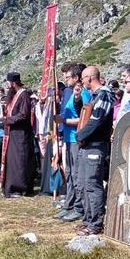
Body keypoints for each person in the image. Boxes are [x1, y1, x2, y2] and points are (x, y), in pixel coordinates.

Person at [73, 66, 115, 236]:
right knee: (83, 184)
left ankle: (96, 223)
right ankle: (87, 218)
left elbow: (96, 120)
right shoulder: (94, 95)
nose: (81, 82)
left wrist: (80, 135)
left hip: (96, 146)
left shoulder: (104, 94)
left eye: (83, 79)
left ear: (90, 78)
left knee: (92, 185)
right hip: (87, 145)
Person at [53, 63, 89, 223]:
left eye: (67, 77)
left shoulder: (84, 93)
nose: (65, 80)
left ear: (76, 78)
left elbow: (84, 118)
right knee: (69, 173)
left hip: (76, 138)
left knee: (76, 174)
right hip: (68, 137)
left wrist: (64, 120)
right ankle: (69, 204)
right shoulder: (70, 93)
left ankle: (79, 207)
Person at [0, 72, 36, 197]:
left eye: (8, 83)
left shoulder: (23, 95)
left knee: (19, 160)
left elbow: (23, 114)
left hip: (20, 133)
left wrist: (7, 120)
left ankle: (19, 188)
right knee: (12, 160)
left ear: (13, 83)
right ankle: (11, 186)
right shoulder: (15, 95)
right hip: (12, 133)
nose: (7, 86)